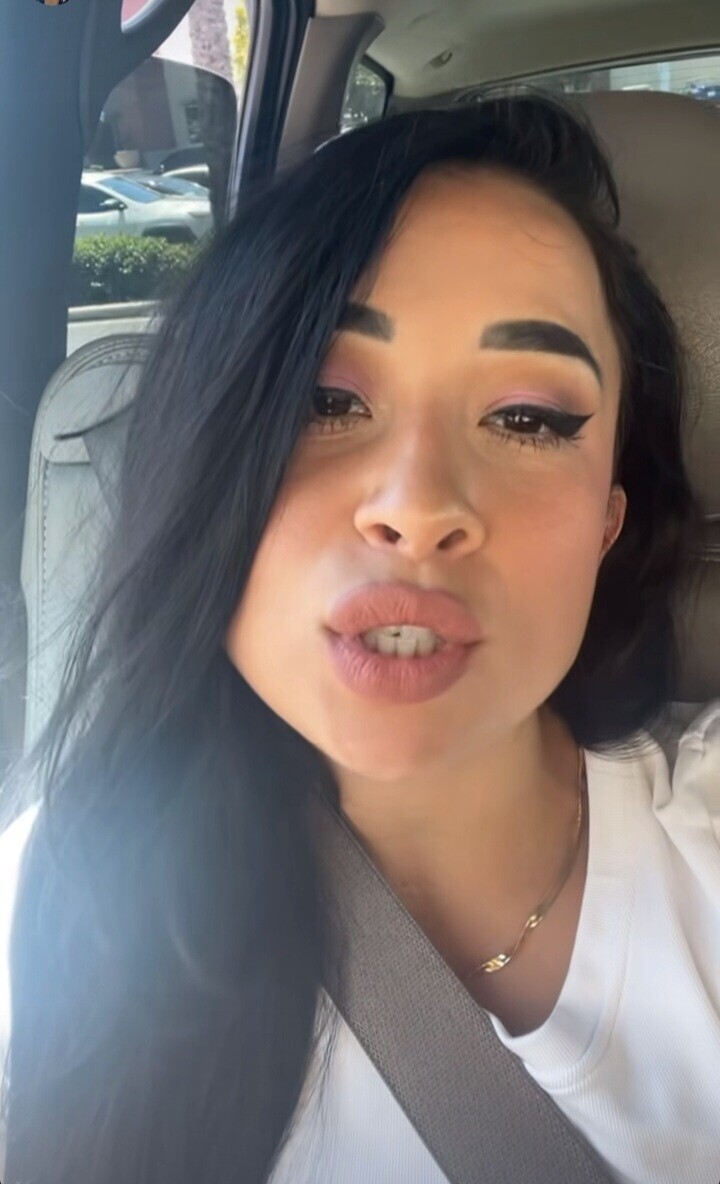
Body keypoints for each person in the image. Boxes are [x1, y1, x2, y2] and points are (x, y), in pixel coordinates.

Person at [0, 93, 716, 1184]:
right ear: (208, 457)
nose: (417, 506)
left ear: (609, 522)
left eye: (528, 417)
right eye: (325, 400)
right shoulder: (58, 892)